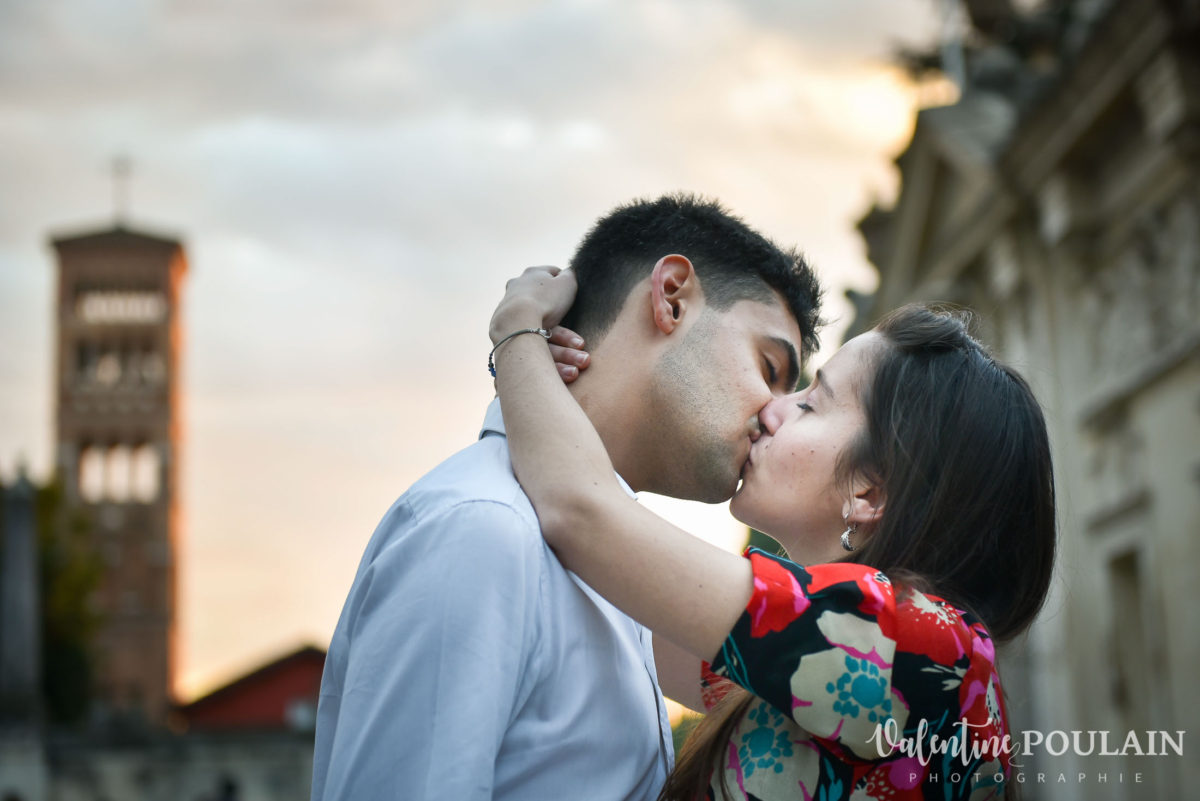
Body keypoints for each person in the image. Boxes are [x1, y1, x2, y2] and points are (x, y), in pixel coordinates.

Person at [311, 194, 823, 800]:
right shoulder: (484, 531)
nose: (774, 416)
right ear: (672, 297)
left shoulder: (615, 569)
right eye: (768, 368)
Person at [487, 267, 1056, 800]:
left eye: (812, 403)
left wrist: (516, 333)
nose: (772, 408)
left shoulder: (923, 649)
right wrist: (559, 386)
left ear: (868, 493)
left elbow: (582, 516)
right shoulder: (821, 656)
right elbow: (612, 594)